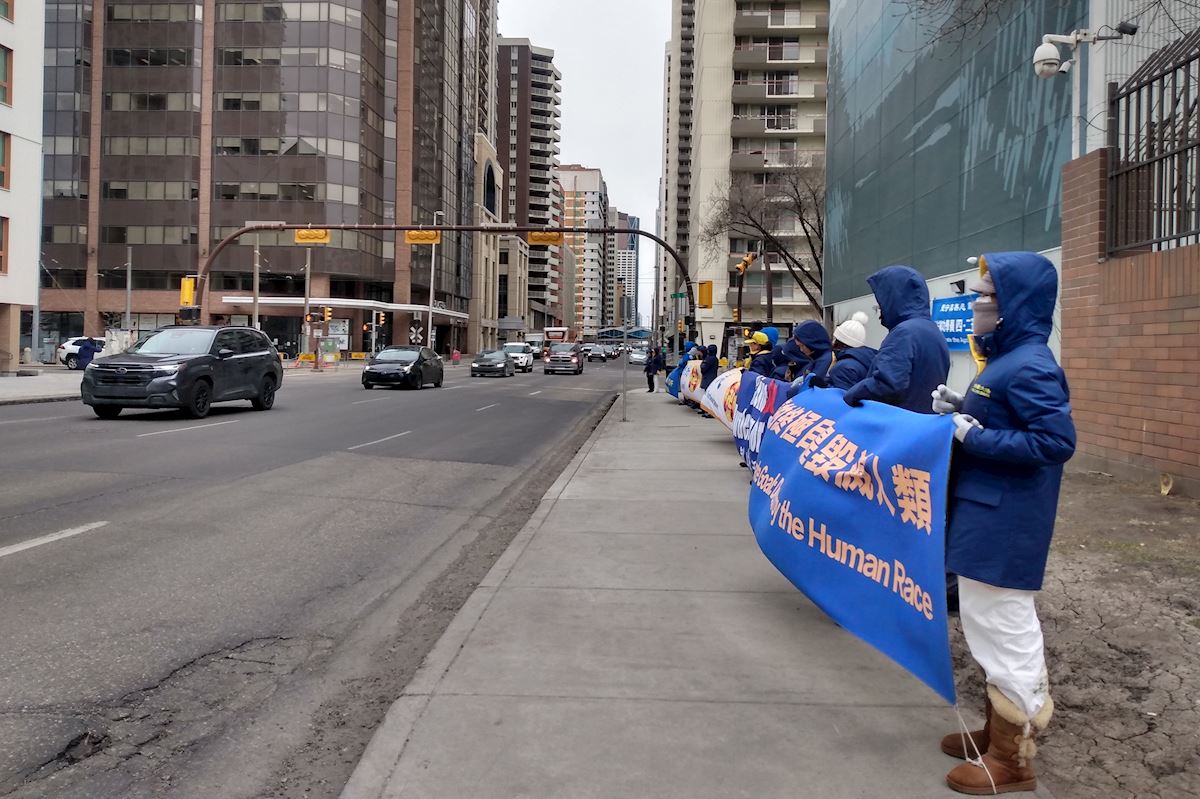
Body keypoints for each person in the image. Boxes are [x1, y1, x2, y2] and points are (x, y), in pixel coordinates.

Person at [931, 252, 1075, 795]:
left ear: (1013, 304)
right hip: (986, 511)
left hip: (1007, 519)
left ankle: (1014, 758)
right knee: (983, 623)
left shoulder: (1032, 364)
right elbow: (1002, 416)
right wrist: (959, 411)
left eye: (986, 297)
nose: (977, 305)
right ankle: (998, 732)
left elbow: (1054, 442)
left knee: (1006, 629)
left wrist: (975, 436)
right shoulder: (1009, 359)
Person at [843, 265, 949, 413]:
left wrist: (850, 396)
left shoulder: (904, 333)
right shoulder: (933, 331)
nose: (879, 309)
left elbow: (887, 384)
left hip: (897, 421)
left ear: (893, 298)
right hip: (924, 420)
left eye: (881, 302)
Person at [820, 312, 877, 390]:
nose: (832, 345)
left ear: (843, 344)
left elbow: (841, 395)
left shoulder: (843, 367)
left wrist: (822, 386)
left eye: (836, 341)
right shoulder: (869, 360)